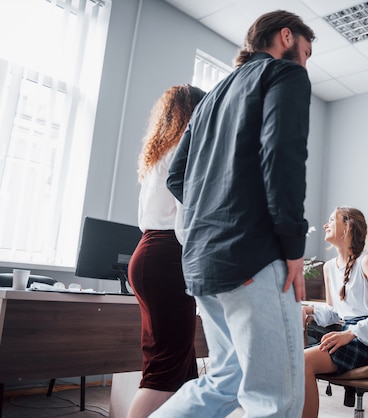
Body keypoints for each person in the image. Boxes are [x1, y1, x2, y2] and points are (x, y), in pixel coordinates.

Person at [151, 10, 316, 418]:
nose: (306, 63)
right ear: (285, 36)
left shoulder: (210, 100)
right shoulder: (284, 75)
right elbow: (282, 159)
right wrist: (294, 248)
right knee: (276, 399)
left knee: (224, 382)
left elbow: (177, 177)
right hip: (253, 258)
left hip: (203, 264)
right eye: (306, 51)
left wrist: (217, 206)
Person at [127, 84, 206, 418]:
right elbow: (186, 219)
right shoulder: (182, 152)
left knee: (182, 367)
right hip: (166, 257)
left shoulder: (161, 151)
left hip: (149, 253)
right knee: (164, 370)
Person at [301, 207, 368, 418]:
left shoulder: (367, 261)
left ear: (347, 227)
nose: (326, 224)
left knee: (303, 360)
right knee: (295, 359)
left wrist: (350, 333)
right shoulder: (329, 267)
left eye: (332, 220)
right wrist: (309, 309)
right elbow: (335, 311)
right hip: (345, 336)